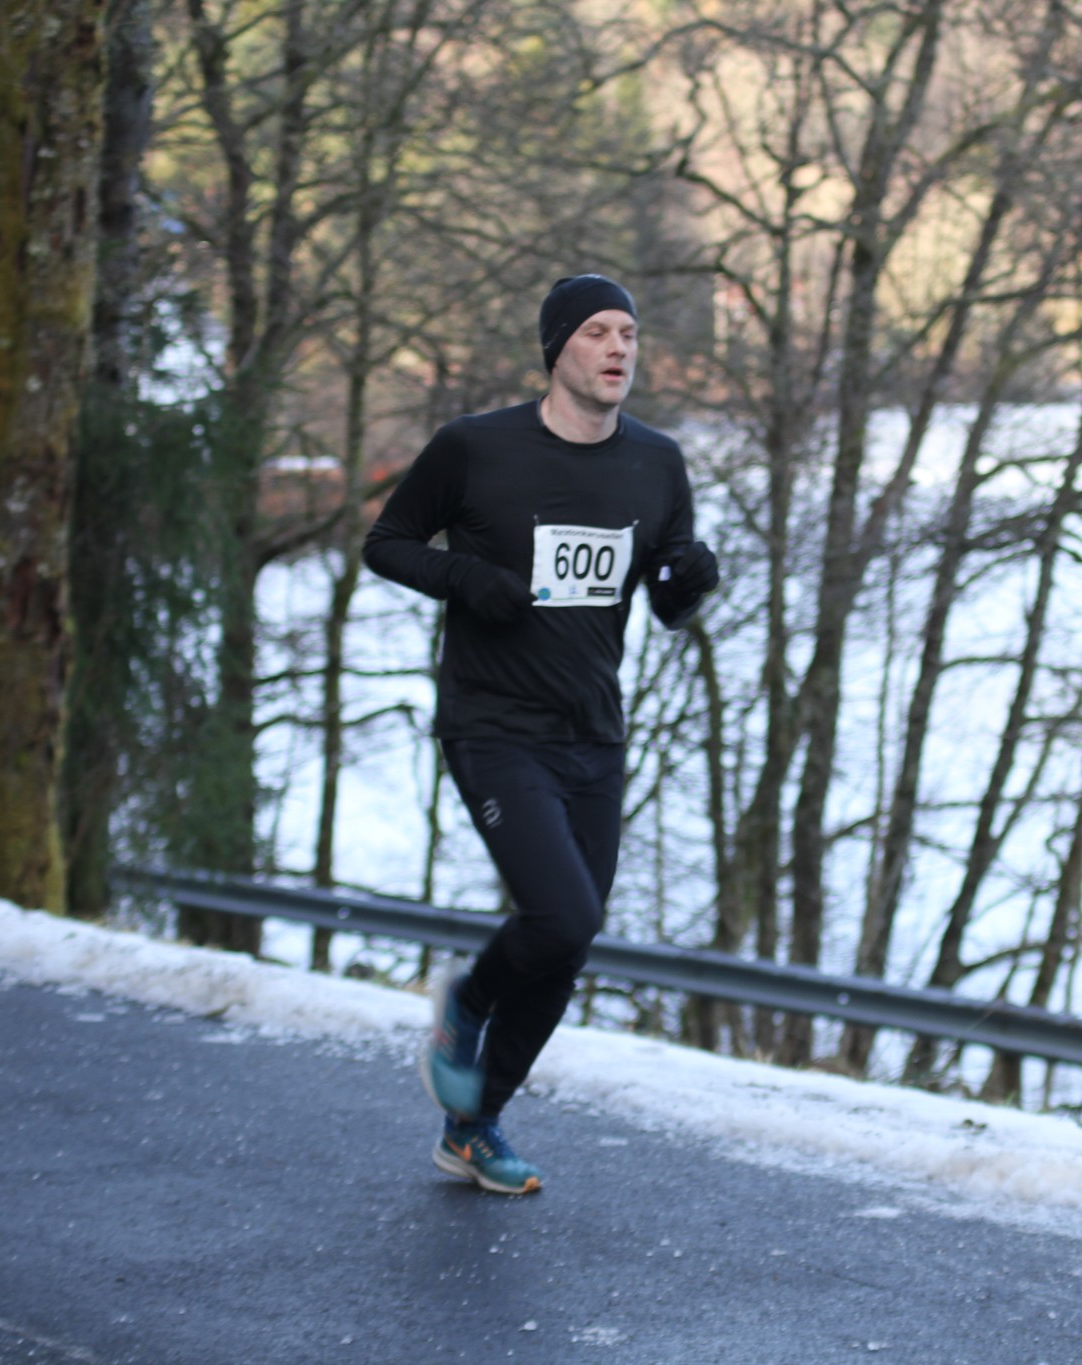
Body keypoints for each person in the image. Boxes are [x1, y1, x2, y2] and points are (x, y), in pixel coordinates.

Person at [362, 275, 718, 1194]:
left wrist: (687, 582)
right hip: (492, 723)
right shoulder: (476, 447)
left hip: (592, 730)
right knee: (563, 914)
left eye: (628, 332)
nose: (618, 347)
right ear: (557, 348)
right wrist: (468, 580)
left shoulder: (657, 461)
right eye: (597, 331)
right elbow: (387, 542)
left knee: (567, 944)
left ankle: (472, 1128)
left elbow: (665, 596)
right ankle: (468, 1000)